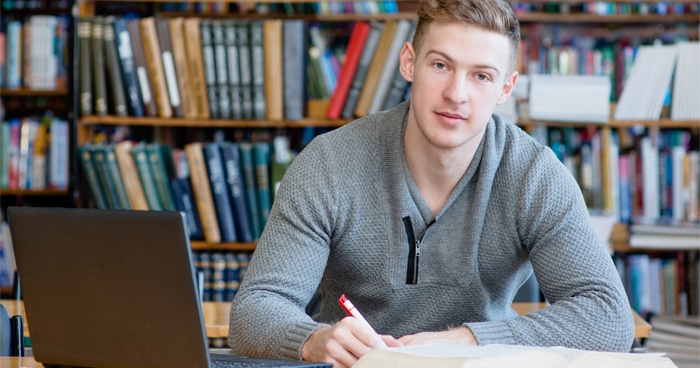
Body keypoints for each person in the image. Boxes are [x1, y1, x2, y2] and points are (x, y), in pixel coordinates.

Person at [229, 0, 635, 366]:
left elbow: (608, 316)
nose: (456, 94)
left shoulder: (534, 175)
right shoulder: (328, 163)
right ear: (409, 62)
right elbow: (254, 311)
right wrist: (315, 340)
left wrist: (470, 340)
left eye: (481, 76)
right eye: (440, 65)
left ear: (505, 89)